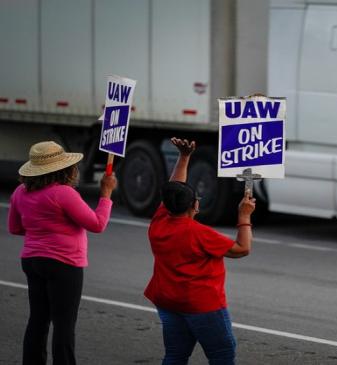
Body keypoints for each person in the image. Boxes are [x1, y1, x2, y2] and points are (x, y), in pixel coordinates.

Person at [144, 137, 255, 365]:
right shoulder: (199, 233)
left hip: (168, 302)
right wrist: (244, 216)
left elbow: (174, 189)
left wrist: (184, 158)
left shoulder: (160, 221)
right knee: (222, 355)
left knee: (175, 355)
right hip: (202, 305)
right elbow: (242, 249)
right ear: (195, 205)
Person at [7, 141, 117, 365]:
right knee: (64, 325)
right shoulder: (63, 194)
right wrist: (106, 194)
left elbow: (15, 228)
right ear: (63, 169)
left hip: (31, 260)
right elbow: (97, 224)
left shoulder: (20, 192)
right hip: (64, 264)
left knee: (37, 320)